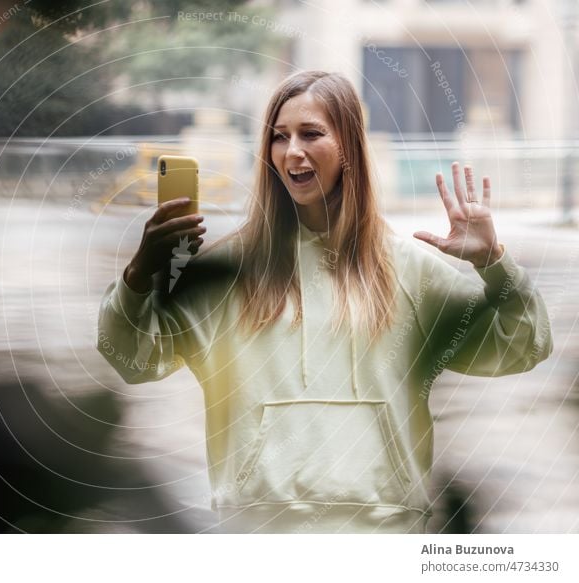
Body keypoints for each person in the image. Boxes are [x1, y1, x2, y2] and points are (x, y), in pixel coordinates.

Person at [96, 70, 553, 533]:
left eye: (311, 133)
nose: (292, 151)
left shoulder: (409, 269)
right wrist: (139, 274)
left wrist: (493, 262)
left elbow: (522, 346)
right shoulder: (227, 270)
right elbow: (134, 358)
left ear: (348, 147)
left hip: (384, 530)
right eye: (279, 137)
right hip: (258, 530)